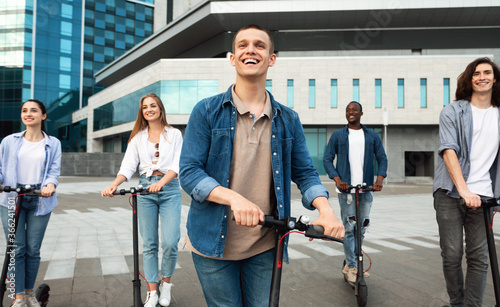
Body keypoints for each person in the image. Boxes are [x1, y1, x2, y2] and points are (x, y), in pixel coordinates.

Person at [179, 24, 344, 307]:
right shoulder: (206, 111)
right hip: (210, 243)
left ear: (271, 58)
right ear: (232, 58)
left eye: (259, 45)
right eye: (242, 45)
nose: (250, 50)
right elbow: (190, 173)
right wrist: (233, 199)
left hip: (266, 242)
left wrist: (326, 211)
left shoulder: (288, 119)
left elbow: (304, 173)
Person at [101, 93, 182, 307]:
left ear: (160, 109)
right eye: (145, 107)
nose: (149, 109)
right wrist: (114, 184)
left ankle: (167, 285)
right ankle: (152, 292)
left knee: (171, 242)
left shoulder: (174, 134)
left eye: (153, 105)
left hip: (170, 189)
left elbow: (177, 164)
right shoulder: (137, 137)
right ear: (142, 112)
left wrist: (162, 182)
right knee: (150, 244)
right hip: (145, 190)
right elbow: (128, 166)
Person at [433, 57, 500, 307]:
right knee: (452, 255)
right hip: (450, 193)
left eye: (487, 72)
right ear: (469, 79)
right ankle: (457, 303)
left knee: (479, 258)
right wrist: (464, 190)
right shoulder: (453, 111)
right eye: (476, 73)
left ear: (495, 78)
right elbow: (448, 150)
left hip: (485, 196)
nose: (482, 77)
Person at [0, 99, 61, 307]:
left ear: (43, 116)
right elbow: (0, 167)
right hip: (11, 198)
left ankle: (29, 294)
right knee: (16, 248)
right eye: (25, 110)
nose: (28, 113)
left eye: (34, 110)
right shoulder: (9, 141)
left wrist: (50, 185)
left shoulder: (53, 143)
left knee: (33, 249)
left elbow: (53, 169)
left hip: (41, 198)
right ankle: (18, 298)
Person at [323, 101, 388, 283]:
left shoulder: (371, 136)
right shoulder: (338, 135)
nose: (350, 113)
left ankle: (351, 263)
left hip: (366, 190)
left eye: (354, 110)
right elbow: (327, 159)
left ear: (361, 113)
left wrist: (379, 179)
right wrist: (338, 180)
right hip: (347, 191)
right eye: (348, 110)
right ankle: (353, 266)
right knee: (350, 228)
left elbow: (382, 158)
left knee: (362, 227)